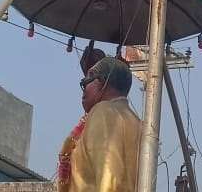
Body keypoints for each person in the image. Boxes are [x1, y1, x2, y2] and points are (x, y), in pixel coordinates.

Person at [57, 57, 143, 192]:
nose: (84, 89)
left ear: (102, 81)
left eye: (86, 81)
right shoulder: (138, 124)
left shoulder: (103, 111)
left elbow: (110, 178)